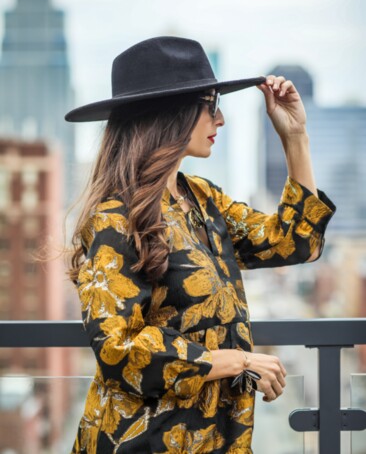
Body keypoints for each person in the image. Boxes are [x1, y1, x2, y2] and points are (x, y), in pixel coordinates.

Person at [65, 36, 336, 453]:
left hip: (215, 438)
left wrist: (295, 138)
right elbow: (118, 348)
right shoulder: (115, 217)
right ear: (170, 113)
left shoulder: (203, 202)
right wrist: (238, 361)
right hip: (142, 441)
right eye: (210, 104)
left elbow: (295, 243)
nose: (220, 118)